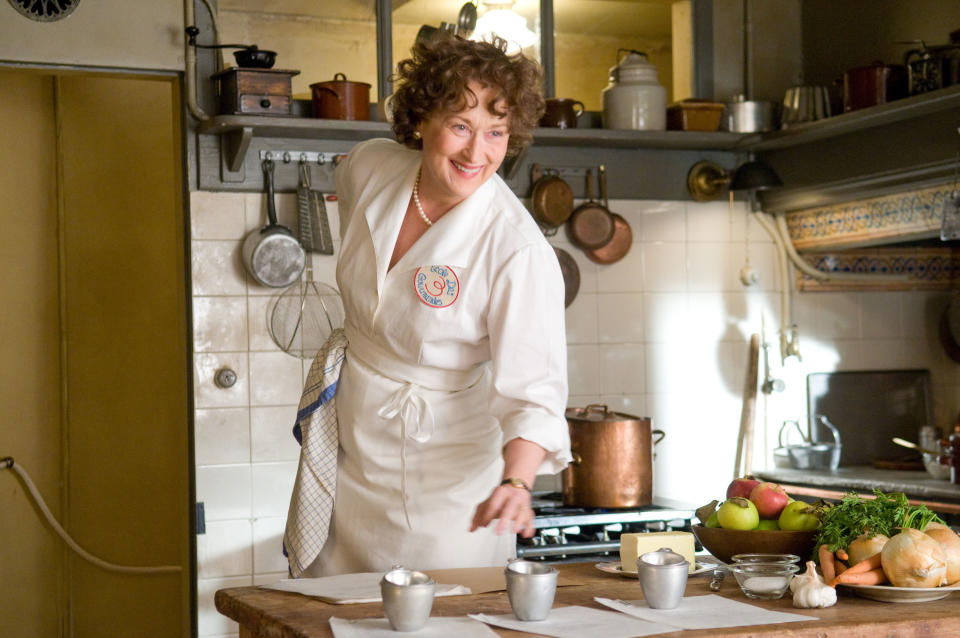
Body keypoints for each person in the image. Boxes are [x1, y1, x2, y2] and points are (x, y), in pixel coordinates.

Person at [300, 33, 570, 577]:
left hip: (448, 480)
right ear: (422, 118)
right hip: (351, 448)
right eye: (461, 125)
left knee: (437, 613)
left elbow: (534, 394)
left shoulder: (517, 249)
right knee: (332, 606)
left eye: (496, 133)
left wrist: (516, 483)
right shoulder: (369, 169)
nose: (477, 152)